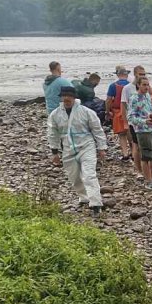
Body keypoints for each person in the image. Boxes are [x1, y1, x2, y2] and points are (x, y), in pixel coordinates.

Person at [47, 86, 108, 215]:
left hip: (86, 146)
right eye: (64, 96)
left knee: (89, 175)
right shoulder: (55, 114)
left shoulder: (86, 112)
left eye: (69, 96)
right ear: (61, 98)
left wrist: (101, 147)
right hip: (68, 149)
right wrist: (54, 152)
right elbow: (52, 133)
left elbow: (97, 129)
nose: (67, 98)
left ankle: (96, 204)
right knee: (74, 177)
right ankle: (84, 197)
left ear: (74, 97)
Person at [125, 76, 152, 191]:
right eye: (144, 85)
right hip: (142, 131)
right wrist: (144, 121)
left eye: (147, 85)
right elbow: (130, 117)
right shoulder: (134, 98)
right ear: (138, 85)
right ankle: (148, 181)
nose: (146, 87)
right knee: (146, 157)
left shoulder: (148, 96)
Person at [122, 65, 147, 179]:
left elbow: (151, 99)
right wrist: (125, 122)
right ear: (135, 74)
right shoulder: (127, 88)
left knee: (146, 145)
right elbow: (123, 105)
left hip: (146, 121)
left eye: (144, 74)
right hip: (134, 122)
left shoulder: (145, 85)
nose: (142, 76)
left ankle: (147, 168)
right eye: (140, 74)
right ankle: (139, 170)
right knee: (136, 145)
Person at [106, 66, 132, 159]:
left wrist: (107, 111)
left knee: (121, 134)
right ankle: (133, 151)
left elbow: (108, 100)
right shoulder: (131, 85)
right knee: (130, 132)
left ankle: (125, 153)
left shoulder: (113, 86)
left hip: (118, 111)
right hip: (129, 110)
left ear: (118, 75)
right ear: (126, 75)